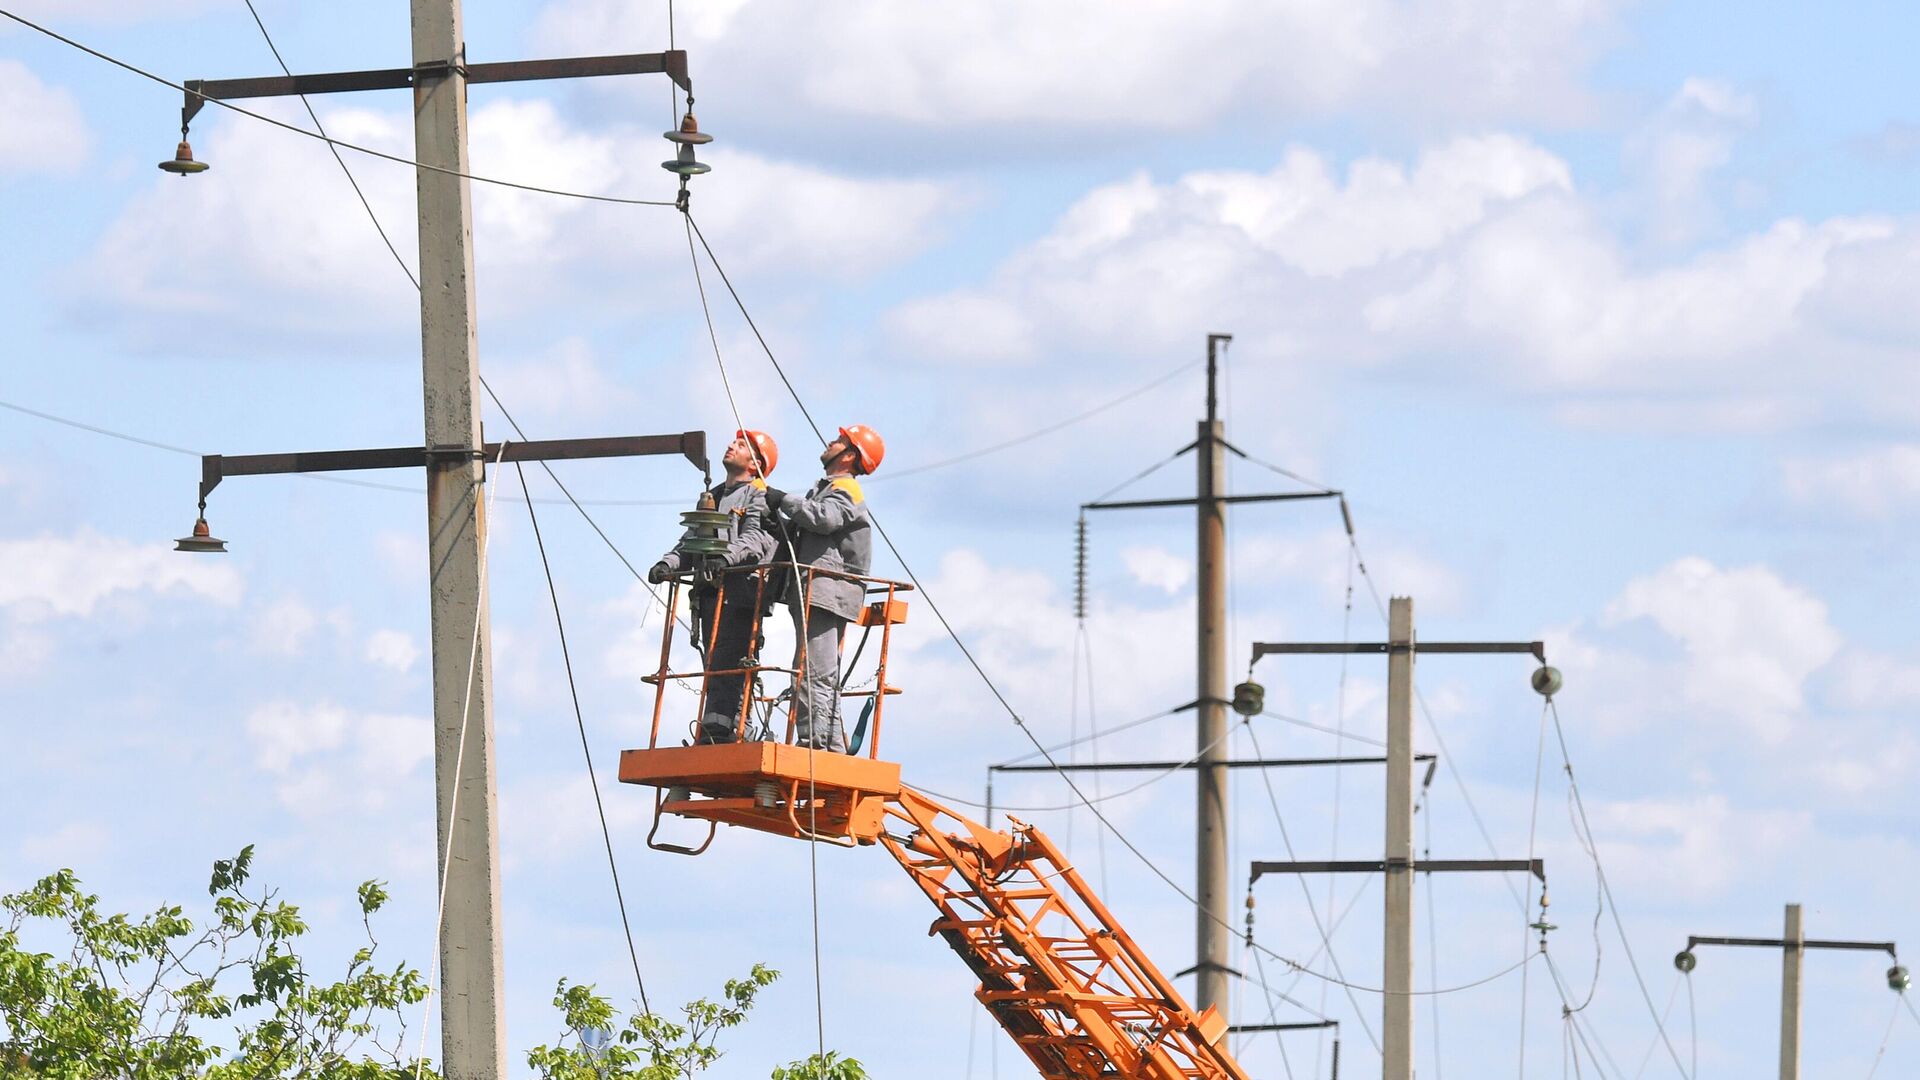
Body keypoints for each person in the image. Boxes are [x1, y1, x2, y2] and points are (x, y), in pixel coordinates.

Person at [648, 429, 778, 744]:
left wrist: (726, 559)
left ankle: (727, 728)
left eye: (742, 445)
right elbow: (692, 540)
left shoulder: (759, 496)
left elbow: (756, 538)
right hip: (710, 593)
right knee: (714, 661)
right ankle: (717, 726)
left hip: (741, 593)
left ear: (755, 463)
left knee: (729, 660)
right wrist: (669, 563)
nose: (732, 445)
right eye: (734, 440)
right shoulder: (714, 496)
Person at [765, 425, 884, 752]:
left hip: (827, 590)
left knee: (812, 672)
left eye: (839, 441)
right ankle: (826, 744)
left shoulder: (846, 490)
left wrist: (784, 500)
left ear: (848, 456)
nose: (830, 442)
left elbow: (824, 519)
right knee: (814, 671)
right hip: (820, 588)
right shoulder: (829, 488)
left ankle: (820, 747)